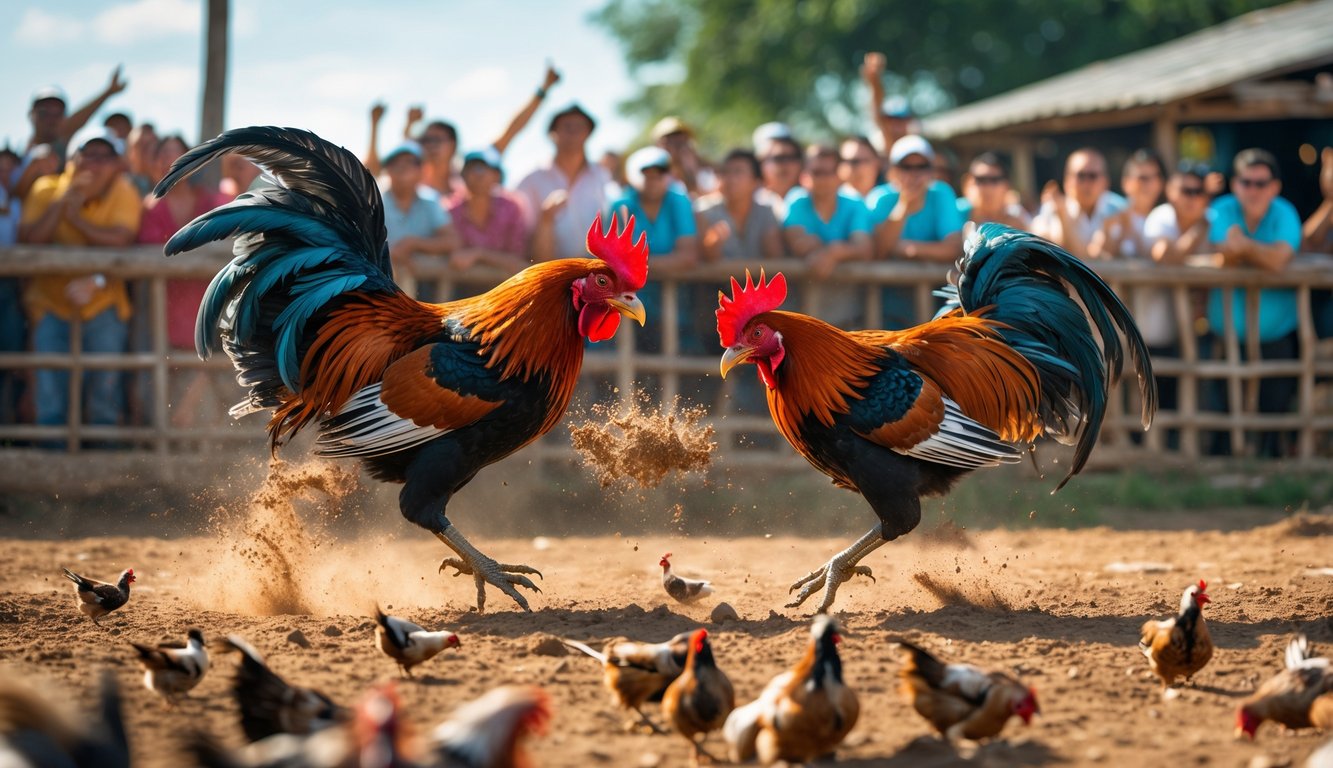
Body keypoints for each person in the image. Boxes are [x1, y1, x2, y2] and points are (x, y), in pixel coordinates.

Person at [18, 129, 141, 447]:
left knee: (105, 388)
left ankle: (104, 476)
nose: (95, 165)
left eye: (105, 157)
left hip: (103, 302)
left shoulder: (123, 191)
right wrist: (64, 201)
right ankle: (49, 474)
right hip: (49, 303)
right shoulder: (46, 188)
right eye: (88, 154)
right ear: (72, 159)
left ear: (117, 165)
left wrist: (77, 220)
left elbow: (121, 240)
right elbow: (30, 240)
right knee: (49, 389)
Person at [1204, 148, 1301, 457]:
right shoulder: (1221, 207)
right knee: (1223, 413)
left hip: (1276, 336)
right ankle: (1223, 471)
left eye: (1261, 183)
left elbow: (1280, 260)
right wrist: (1258, 252)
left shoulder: (1284, 212)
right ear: (1236, 184)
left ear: (1275, 186)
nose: (1253, 190)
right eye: (1247, 182)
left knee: (1275, 415)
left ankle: (1272, 475)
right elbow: (1225, 251)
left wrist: (1243, 246)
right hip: (1226, 337)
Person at [136, 135, 230, 428]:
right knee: (157, 386)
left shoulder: (211, 202)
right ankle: (161, 457)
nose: (171, 161)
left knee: (204, 376)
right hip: (161, 308)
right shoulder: (151, 207)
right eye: (165, 154)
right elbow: (146, 249)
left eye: (179, 154)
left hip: (205, 303)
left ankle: (205, 460)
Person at [1138, 163, 1216, 449]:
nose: (1192, 197)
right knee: (1159, 390)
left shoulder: (1214, 219)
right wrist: (1199, 231)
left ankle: (1204, 449)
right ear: (1171, 192)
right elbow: (1163, 255)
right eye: (1186, 190)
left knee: (1206, 386)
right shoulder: (1163, 218)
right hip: (1158, 326)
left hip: (1204, 323)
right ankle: (1158, 453)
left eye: (1199, 191)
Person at [866, 135, 963, 328]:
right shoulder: (879, 199)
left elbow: (953, 248)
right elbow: (876, 252)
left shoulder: (942, 193)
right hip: (885, 311)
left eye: (921, 167)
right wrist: (903, 206)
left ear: (931, 171)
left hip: (935, 310)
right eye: (906, 167)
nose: (914, 174)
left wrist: (909, 249)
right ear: (892, 171)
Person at [784, 145, 873, 328]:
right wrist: (842, 249)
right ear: (805, 175)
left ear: (839, 175)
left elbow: (865, 247)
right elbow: (797, 243)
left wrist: (834, 252)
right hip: (801, 318)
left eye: (828, 172)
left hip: (849, 318)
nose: (823, 179)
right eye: (817, 172)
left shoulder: (855, 204)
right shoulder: (796, 201)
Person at [13, 67, 128, 201]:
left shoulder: (63, 149)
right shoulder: (14, 159)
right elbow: (12, 197)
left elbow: (76, 122)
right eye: (44, 112)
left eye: (57, 113)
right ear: (31, 114)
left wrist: (108, 92)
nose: (51, 119)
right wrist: (32, 169)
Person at [518, 103, 612, 262]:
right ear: (552, 134)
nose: (573, 133)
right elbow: (523, 238)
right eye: (567, 127)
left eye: (580, 127)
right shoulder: (530, 180)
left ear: (588, 134)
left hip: (594, 278)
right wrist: (545, 218)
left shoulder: (603, 176)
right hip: (549, 278)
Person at [380, 141, 459, 289]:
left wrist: (414, 244)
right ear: (388, 169)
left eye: (411, 162)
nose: (403, 167)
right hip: (378, 287)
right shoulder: (373, 202)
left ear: (422, 170)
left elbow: (452, 241)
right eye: (395, 162)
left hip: (424, 289)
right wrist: (387, 254)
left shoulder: (431, 201)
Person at [447, 147, 529, 279]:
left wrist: (479, 254)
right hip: (459, 293)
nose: (478, 174)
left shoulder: (512, 208)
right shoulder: (450, 210)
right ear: (463, 175)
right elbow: (450, 256)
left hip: (502, 292)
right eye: (472, 168)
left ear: (497, 175)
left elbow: (517, 261)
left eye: (484, 168)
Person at [1032, 148, 1126, 260]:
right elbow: (1058, 250)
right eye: (1080, 175)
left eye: (1092, 176)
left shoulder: (1119, 208)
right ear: (1067, 181)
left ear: (1105, 181)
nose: (1086, 183)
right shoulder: (1052, 209)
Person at [695, 149, 782, 262]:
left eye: (738, 172)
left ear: (756, 182)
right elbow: (704, 261)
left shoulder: (766, 213)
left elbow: (775, 259)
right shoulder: (703, 211)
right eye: (725, 172)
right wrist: (711, 247)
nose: (730, 179)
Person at [1089, 149, 1165, 261]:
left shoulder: (1167, 216)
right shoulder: (1112, 213)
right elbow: (1094, 253)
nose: (1150, 184)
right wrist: (1117, 236)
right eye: (1143, 178)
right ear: (1126, 183)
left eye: (1155, 177)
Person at [957, 152, 1030, 230]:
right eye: (980, 179)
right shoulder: (955, 214)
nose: (988, 187)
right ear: (967, 184)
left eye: (994, 180)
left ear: (1007, 186)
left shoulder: (1017, 225)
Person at [861, 53, 915, 154]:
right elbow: (877, 106)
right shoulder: (879, 146)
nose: (894, 124)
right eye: (889, 119)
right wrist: (874, 81)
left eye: (900, 119)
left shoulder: (919, 144)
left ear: (909, 120)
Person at [652, 116, 713, 197]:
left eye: (680, 141)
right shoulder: (655, 177)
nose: (676, 147)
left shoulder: (706, 173)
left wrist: (691, 171)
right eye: (669, 142)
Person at [755, 129, 804, 220]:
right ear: (761, 163)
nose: (786, 164)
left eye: (793, 157)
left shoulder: (814, 198)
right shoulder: (753, 201)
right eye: (778, 158)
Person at [124, 123, 159, 197]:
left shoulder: (171, 184)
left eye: (149, 144)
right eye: (140, 145)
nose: (147, 151)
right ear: (129, 152)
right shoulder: (120, 185)